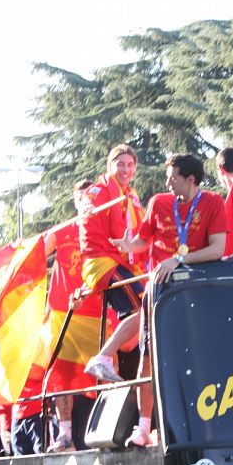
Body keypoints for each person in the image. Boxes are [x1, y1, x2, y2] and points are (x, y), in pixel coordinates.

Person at [111, 153, 227, 446]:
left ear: (190, 179)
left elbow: (217, 249)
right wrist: (128, 245)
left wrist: (179, 258)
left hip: (196, 292)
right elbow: (142, 240)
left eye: (173, 177)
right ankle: (143, 427)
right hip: (159, 291)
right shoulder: (159, 203)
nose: (167, 182)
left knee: (199, 357)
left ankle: (206, 420)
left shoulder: (213, 203)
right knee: (147, 357)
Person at [43, 179, 109, 452]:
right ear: (75, 202)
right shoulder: (62, 230)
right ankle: (65, 434)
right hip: (64, 311)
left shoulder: (104, 229)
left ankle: (106, 428)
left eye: (92, 198)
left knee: (104, 373)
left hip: (97, 311)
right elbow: (37, 254)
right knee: (63, 374)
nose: (88, 203)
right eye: (83, 199)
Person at [80, 144, 147, 384]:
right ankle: (104, 356)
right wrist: (85, 207)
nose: (125, 169)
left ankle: (113, 357)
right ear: (110, 166)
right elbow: (88, 201)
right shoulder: (99, 190)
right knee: (146, 309)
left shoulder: (131, 196)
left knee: (143, 311)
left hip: (119, 262)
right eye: (120, 164)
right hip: (103, 262)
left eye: (130, 165)